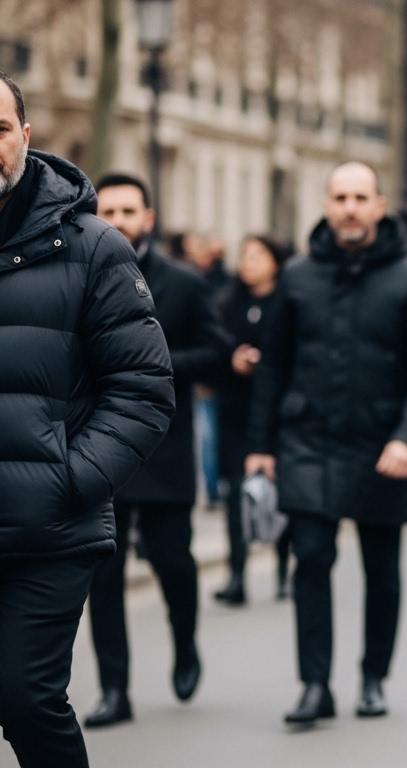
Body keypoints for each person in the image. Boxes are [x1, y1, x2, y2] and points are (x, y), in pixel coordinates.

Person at [0, 73, 174, 768]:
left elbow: (144, 388)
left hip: (50, 531)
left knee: (25, 699)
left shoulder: (95, 248)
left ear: (25, 136)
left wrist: (70, 479)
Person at [246, 161, 407, 725]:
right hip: (307, 442)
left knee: (381, 568)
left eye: (361, 198)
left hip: (384, 446)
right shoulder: (297, 276)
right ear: (327, 205)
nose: (350, 208)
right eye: (340, 198)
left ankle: (373, 677)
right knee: (310, 559)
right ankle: (315, 685)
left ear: (380, 206)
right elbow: (273, 366)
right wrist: (260, 445)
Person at [86, 172, 228, 728]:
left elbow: (216, 352)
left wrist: (155, 363)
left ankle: (185, 644)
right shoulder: (79, 274)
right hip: (100, 448)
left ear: (148, 218)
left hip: (164, 446)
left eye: (129, 211)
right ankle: (114, 690)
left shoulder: (186, 283)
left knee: (173, 561)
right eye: (109, 211)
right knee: (104, 574)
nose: (119, 221)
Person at [212, 235, 294, 605]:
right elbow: (213, 349)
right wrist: (232, 359)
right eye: (245, 255)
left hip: (279, 414)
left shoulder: (288, 303)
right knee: (235, 497)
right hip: (236, 412)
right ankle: (237, 574)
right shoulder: (227, 303)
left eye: (258, 255)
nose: (250, 262)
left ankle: (283, 568)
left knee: (280, 494)